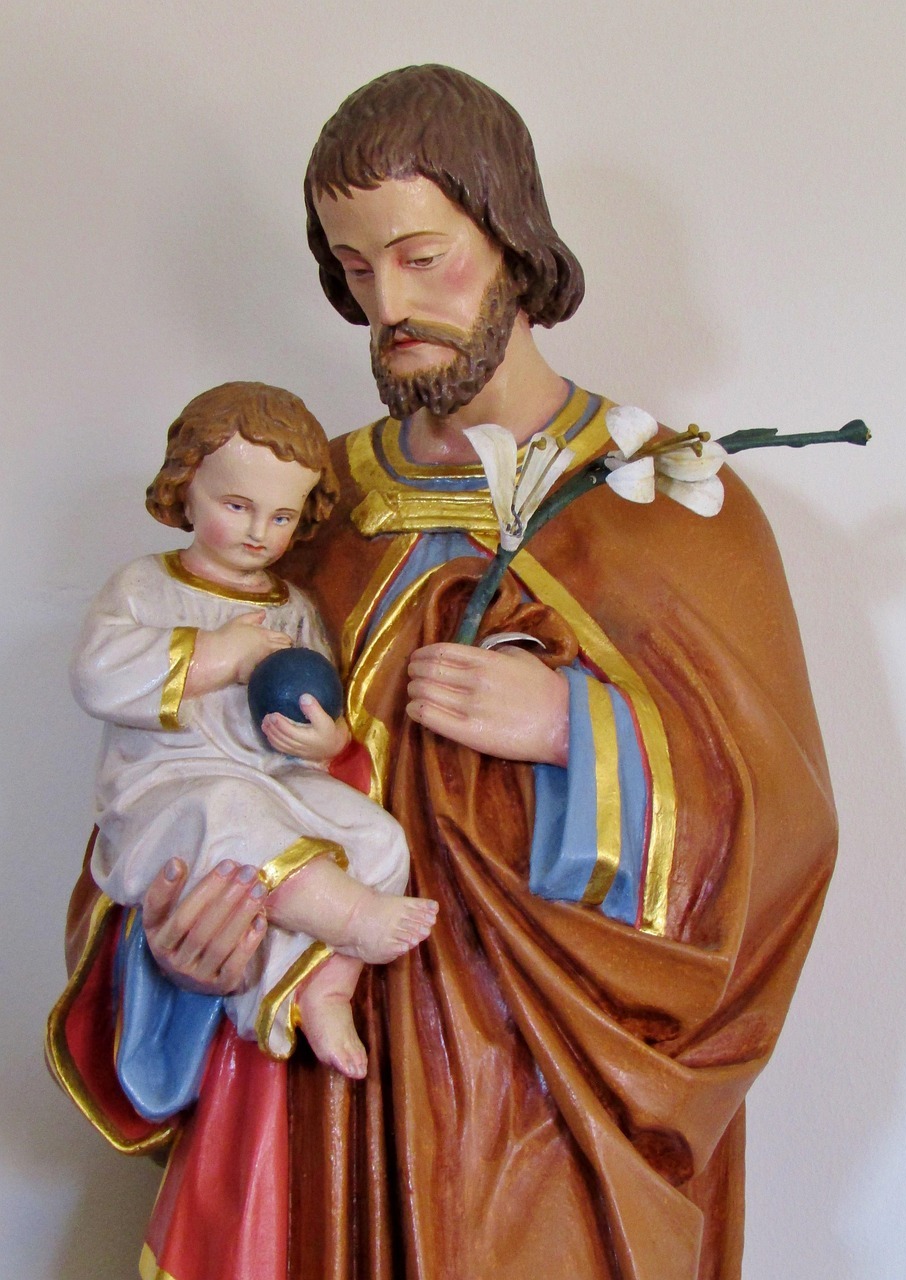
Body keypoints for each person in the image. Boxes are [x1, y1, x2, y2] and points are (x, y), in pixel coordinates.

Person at [49, 67, 838, 1280]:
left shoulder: (668, 506)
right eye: (356, 269)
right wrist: (181, 957)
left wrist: (576, 727)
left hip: (542, 1133)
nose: (390, 305)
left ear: (514, 241)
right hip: (308, 1126)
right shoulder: (298, 515)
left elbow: (779, 827)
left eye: (423, 257)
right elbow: (162, 777)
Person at [70, 380, 436, 1082]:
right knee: (230, 807)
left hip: (277, 780)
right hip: (170, 800)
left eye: (282, 516)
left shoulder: (293, 606)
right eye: (236, 506)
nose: (258, 532)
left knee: (376, 836)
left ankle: (326, 990)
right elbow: (97, 675)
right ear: (185, 489)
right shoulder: (145, 587)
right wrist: (220, 655)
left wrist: (326, 743)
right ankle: (353, 920)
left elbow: (321, 699)